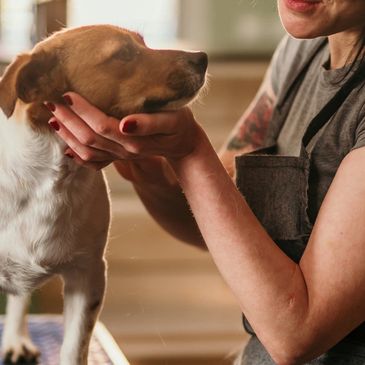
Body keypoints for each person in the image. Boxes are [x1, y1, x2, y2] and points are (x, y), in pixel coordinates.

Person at [45, 0, 365, 363]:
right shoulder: (303, 48)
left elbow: (297, 333)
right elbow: (213, 225)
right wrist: (149, 167)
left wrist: (189, 151)